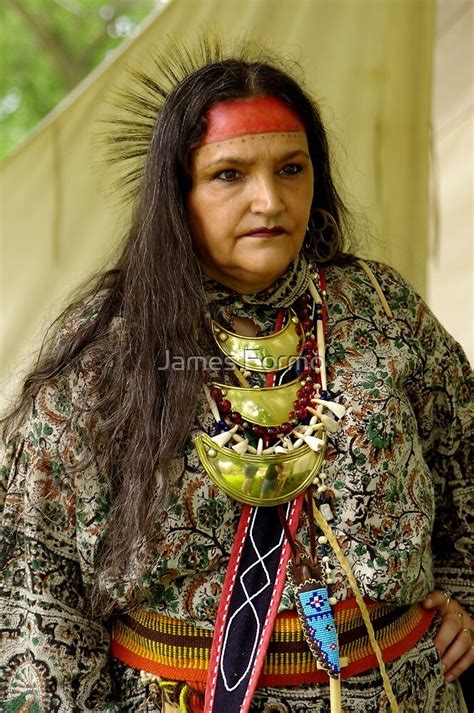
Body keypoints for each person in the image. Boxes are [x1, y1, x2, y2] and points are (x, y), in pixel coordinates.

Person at [1, 38, 472, 713]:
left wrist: (466, 592)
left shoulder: (382, 307)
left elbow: (464, 459)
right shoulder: (106, 349)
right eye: (229, 174)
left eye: (291, 168)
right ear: (178, 191)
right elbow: (35, 588)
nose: (269, 200)